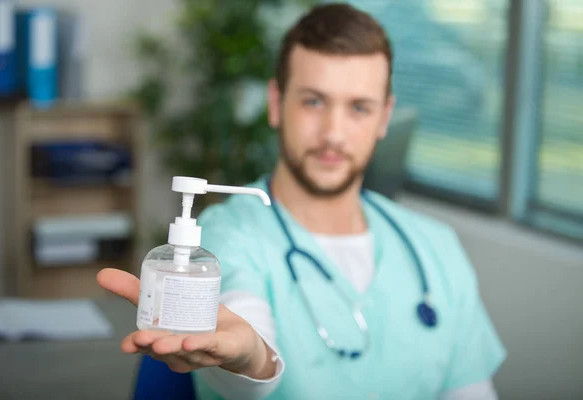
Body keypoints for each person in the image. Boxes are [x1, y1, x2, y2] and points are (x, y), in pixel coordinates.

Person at [97, 3, 506, 399]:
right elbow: (245, 344)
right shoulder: (229, 236)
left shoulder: (436, 248)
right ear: (277, 104)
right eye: (313, 101)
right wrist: (251, 358)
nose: (333, 133)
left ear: (384, 117)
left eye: (359, 108)